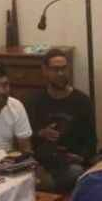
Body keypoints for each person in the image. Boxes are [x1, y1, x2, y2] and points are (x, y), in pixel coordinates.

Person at [26, 48, 95, 192]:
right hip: (41, 162)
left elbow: (91, 141)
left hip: (71, 163)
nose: (61, 73)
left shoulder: (82, 101)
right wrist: (40, 133)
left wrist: (81, 157)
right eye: (55, 69)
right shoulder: (34, 101)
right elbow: (25, 138)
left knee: (75, 173)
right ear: (45, 71)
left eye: (64, 68)